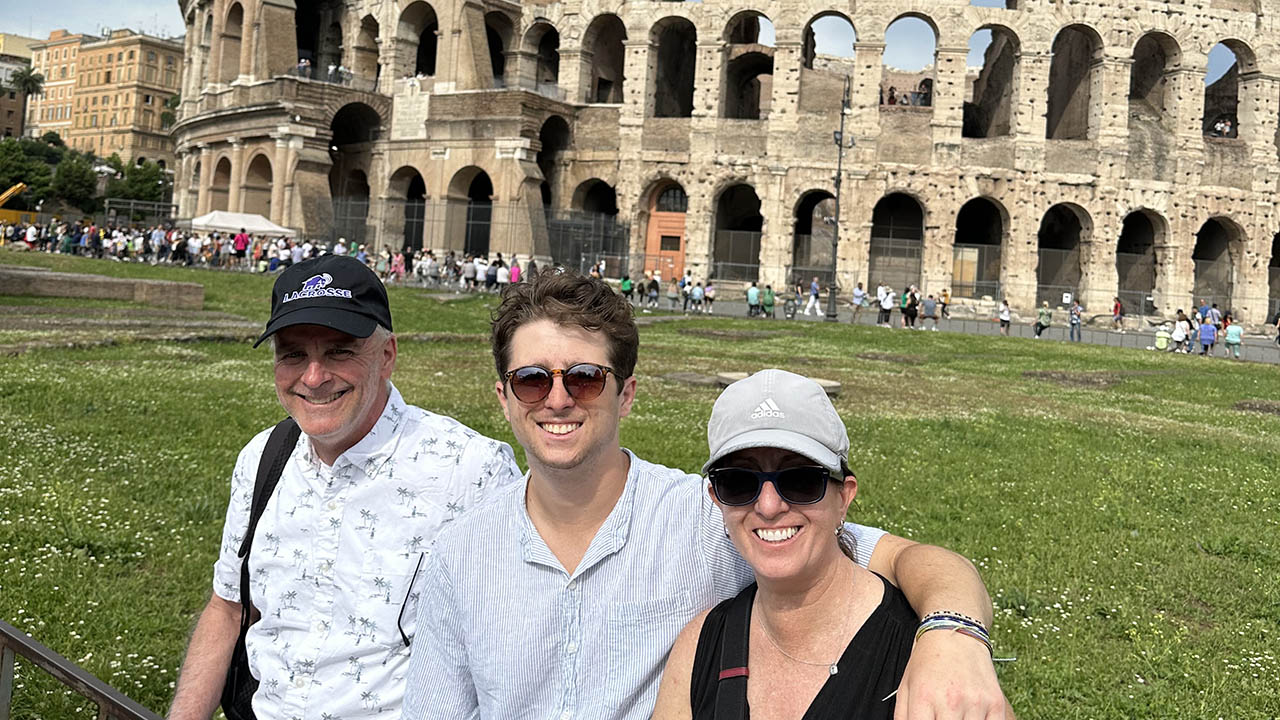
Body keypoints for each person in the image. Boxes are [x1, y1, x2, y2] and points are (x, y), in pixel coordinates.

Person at [404, 272, 1009, 719]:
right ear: (504, 397)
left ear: (628, 394)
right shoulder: (459, 556)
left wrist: (954, 634)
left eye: (585, 378)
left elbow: (910, 561)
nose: (557, 399)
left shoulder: (717, 514)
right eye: (532, 380)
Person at [167, 256, 521, 720]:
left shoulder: (472, 472)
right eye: (293, 354)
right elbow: (229, 608)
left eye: (339, 352)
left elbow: (515, 651)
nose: (313, 378)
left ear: (387, 355)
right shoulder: (263, 458)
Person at [654, 370, 1012, 720]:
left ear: (844, 498)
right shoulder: (702, 646)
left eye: (800, 480)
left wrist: (954, 635)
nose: (768, 506)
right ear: (717, 499)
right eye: (738, 482)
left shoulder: (924, 653)